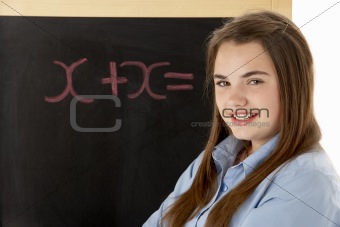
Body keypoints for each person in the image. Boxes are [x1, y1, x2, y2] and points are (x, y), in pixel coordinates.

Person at [143, 10, 340, 227]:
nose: (234, 100)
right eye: (223, 83)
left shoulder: (308, 182)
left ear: (293, 86)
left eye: (254, 81)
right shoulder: (214, 161)